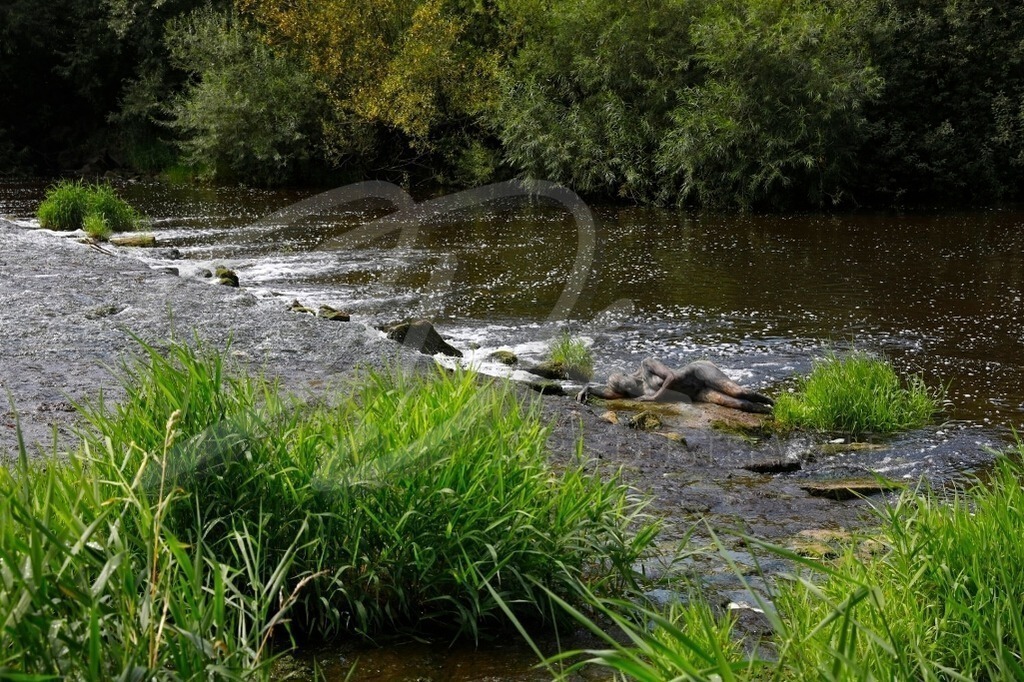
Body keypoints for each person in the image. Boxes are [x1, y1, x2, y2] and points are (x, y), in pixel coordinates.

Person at [576, 357, 773, 414]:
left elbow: (670, 377)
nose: (624, 387)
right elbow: (609, 395)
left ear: (626, 376)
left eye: (620, 381)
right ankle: (771, 413)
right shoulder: (636, 392)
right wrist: (589, 389)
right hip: (698, 394)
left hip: (699, 373)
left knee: (738, 392)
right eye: (621, 388)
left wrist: (654, 398)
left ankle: (774, 402)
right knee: (735, 405)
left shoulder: (646, 365)